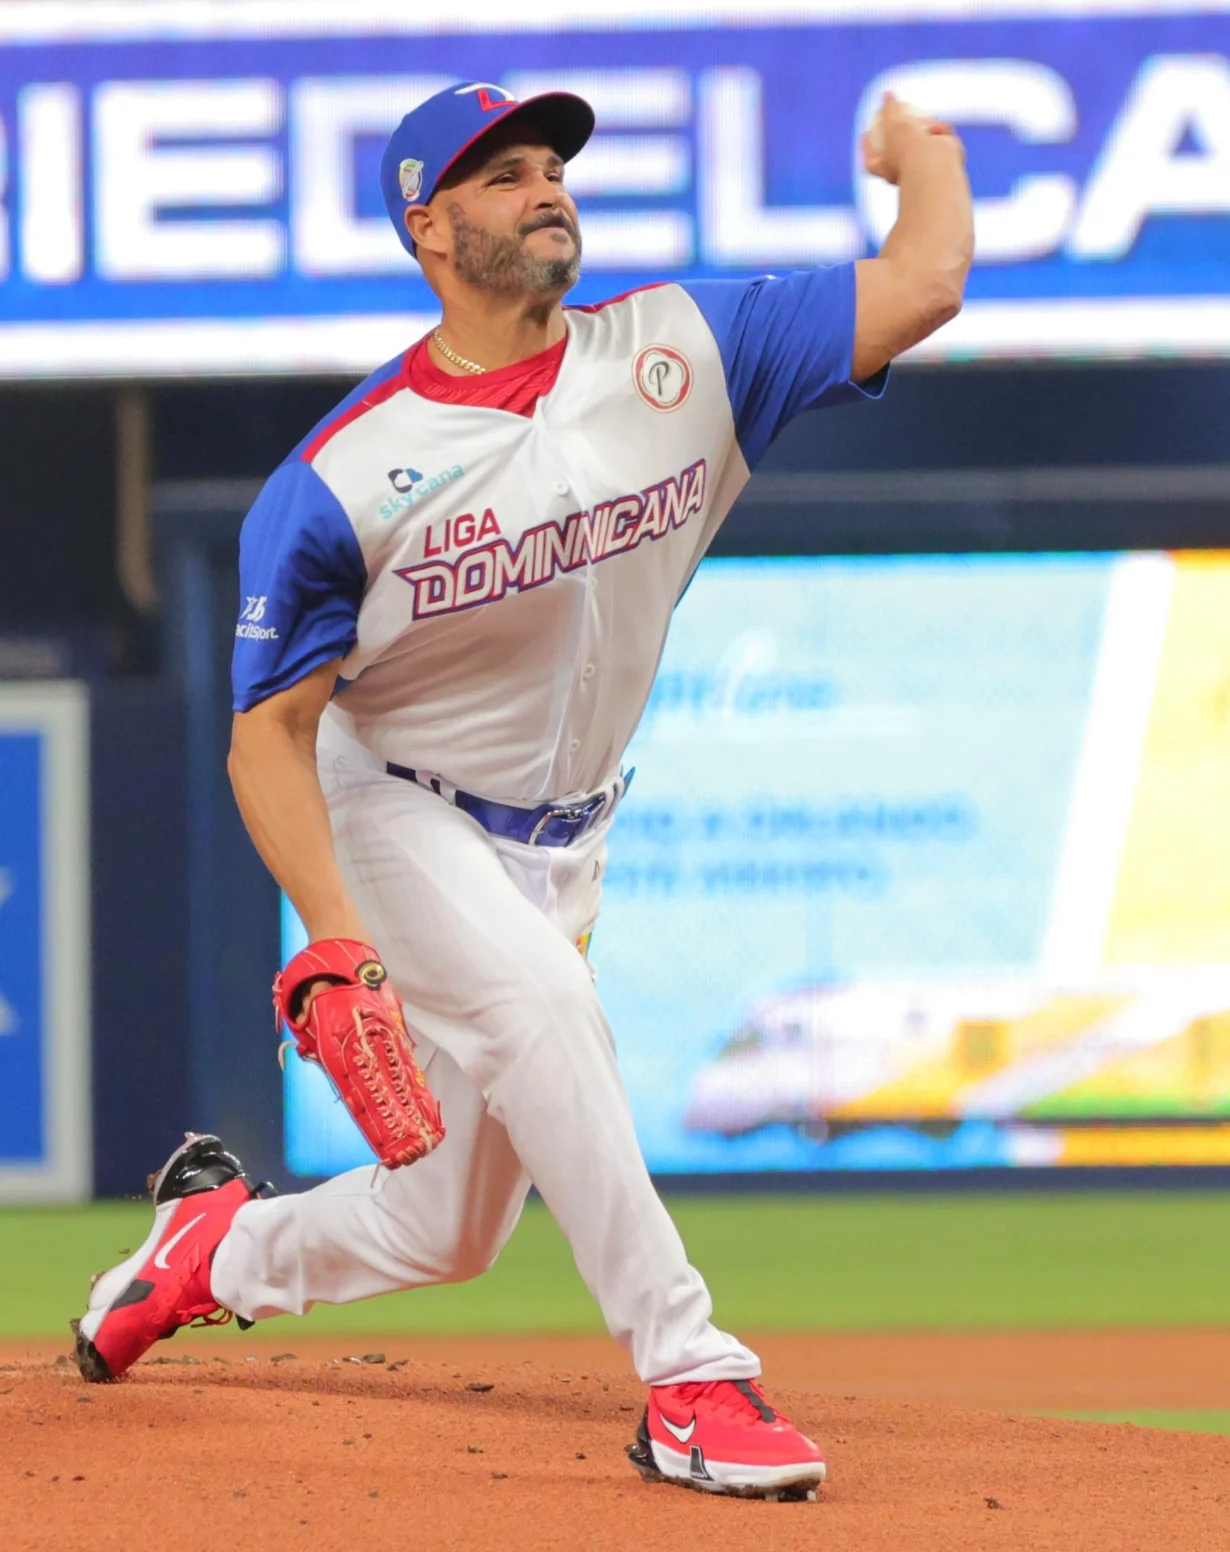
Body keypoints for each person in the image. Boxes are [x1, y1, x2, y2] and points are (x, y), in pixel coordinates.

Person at [73, 79, 973, 1499]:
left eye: (550, 163)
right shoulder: (339, 478)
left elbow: (921, 282)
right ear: (426, 226)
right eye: (499, 175)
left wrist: (921, 153)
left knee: (450, 1229)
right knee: (552, 1013)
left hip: (564, 842)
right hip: (395, 805)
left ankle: (214, 1250)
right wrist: (334, 933)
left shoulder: (685, 348)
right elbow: (269, 734)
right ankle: (692, 1376)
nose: (544, 185)